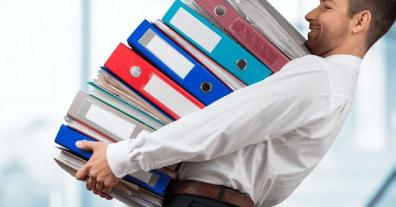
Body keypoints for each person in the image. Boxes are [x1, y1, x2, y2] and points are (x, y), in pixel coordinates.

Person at [74, 0, 396, 206]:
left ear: (360, 21)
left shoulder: (319, 75)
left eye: (327, 6)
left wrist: (123, 157)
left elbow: (225, 124)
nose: (311, 14)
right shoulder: (339, 91)